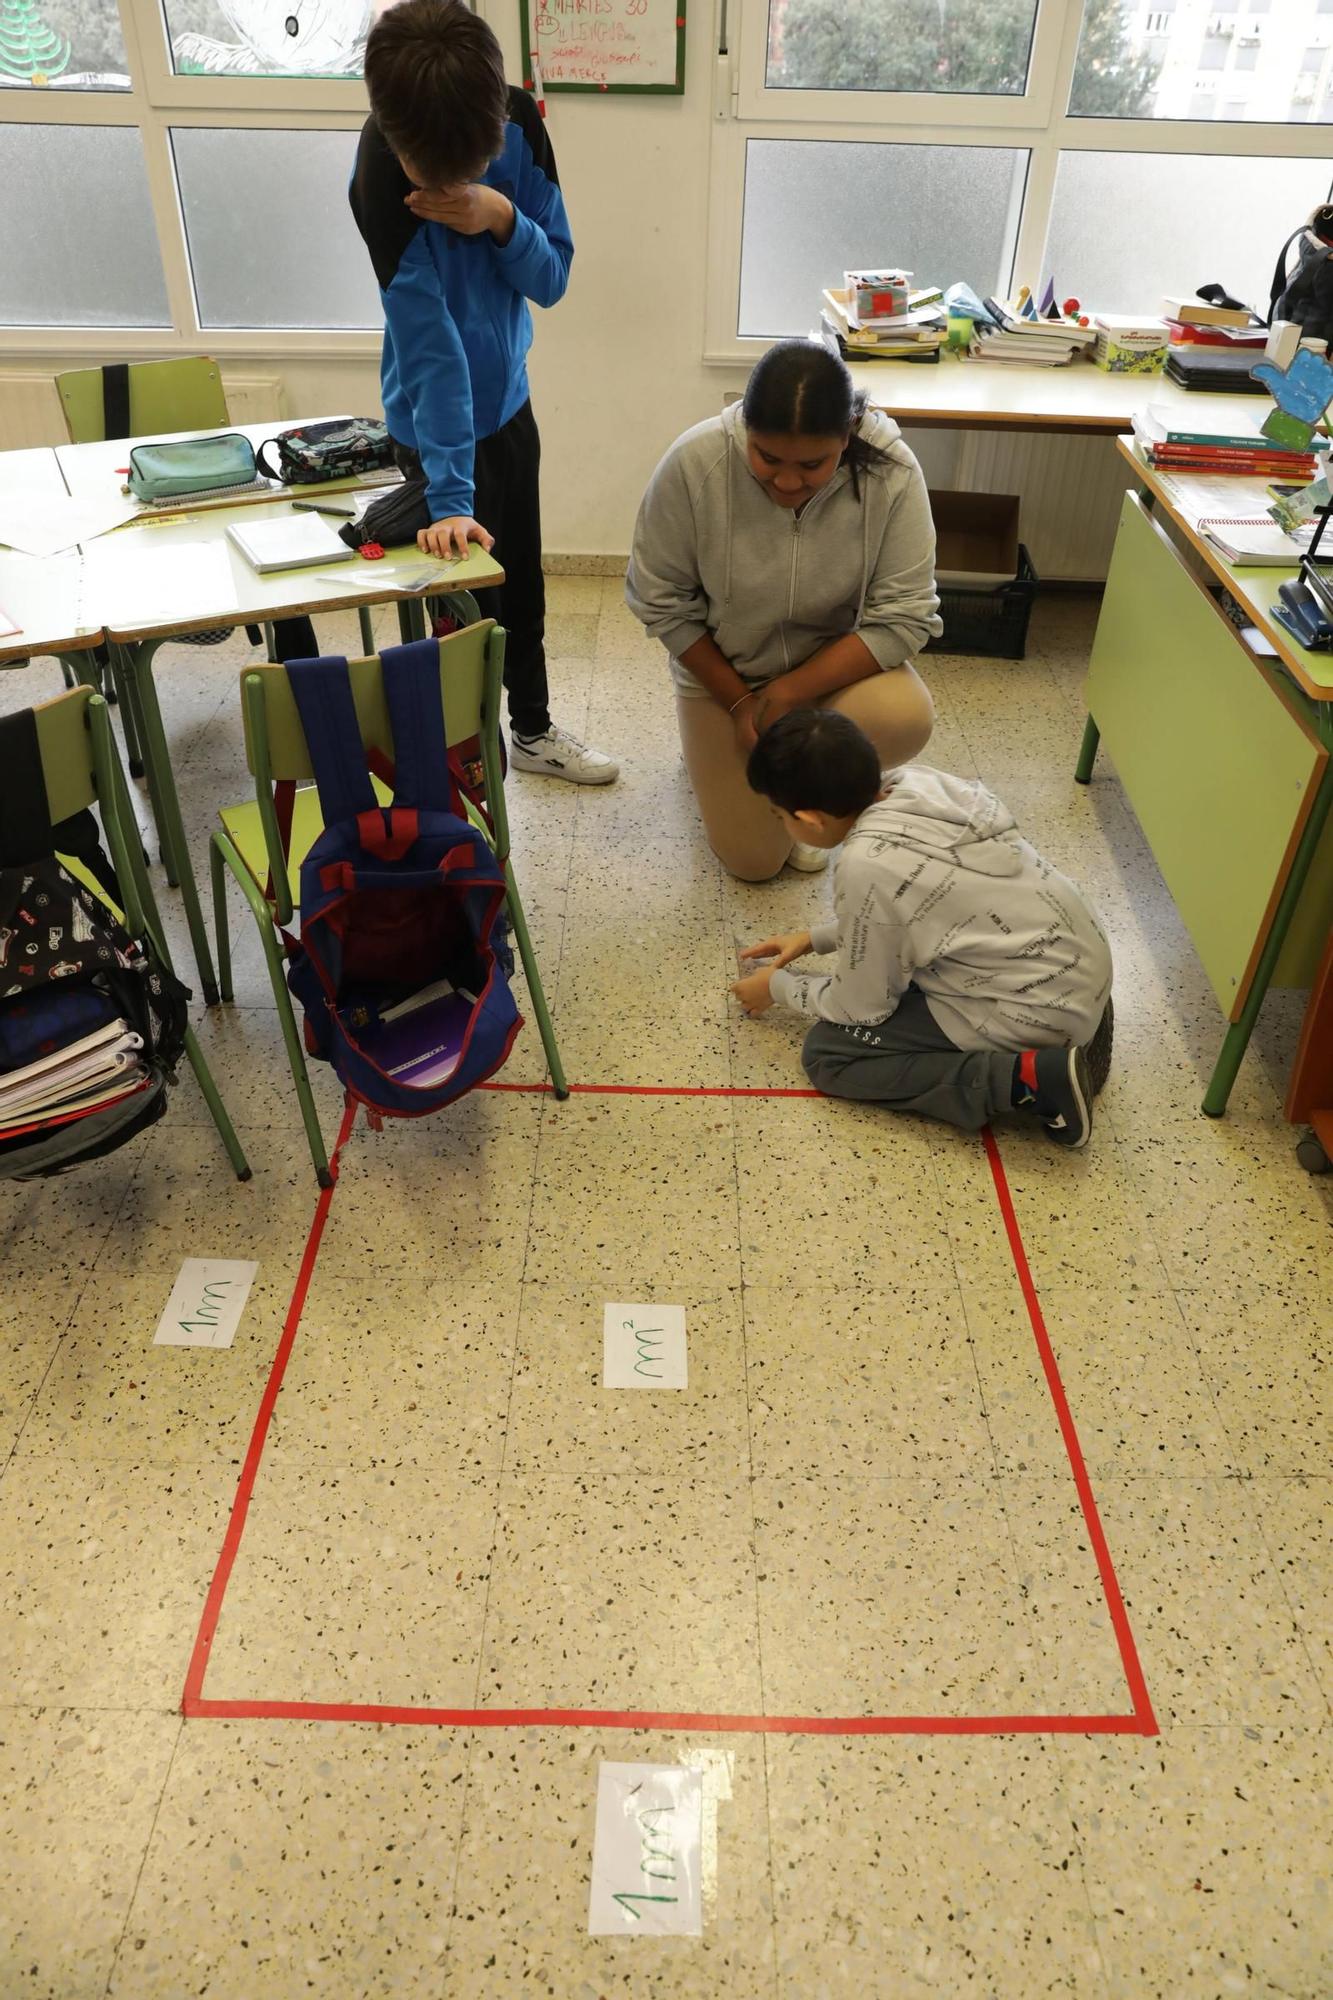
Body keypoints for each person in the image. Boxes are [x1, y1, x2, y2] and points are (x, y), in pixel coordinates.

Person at [348, 0, 617, 785]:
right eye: (429, 177)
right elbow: (432, 355)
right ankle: (465, 755)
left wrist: (498, 216)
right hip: (432, 436)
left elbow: (553, 277)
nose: (443, 186)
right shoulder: (376, 178)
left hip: (509, 409)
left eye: (467, 169)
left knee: (521, 589)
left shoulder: (520, 123)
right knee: (458, 620)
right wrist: (451, 495)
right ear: (392, 135)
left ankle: (530, 732)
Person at [625, 338, 940, 879]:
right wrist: (743, 703)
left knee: (905, 718)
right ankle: (706, 749)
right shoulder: (694, 463)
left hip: (826, 676)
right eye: (767, 459)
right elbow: (661, 601)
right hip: (726, 678)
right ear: (747, 427)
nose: (788, 482)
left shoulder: (891, 471)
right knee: (754, 864)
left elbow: (905, 615)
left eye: (813, 464)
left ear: (847, 436)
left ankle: (798, 769)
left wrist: (789, 694)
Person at [731, 709, 1113, 1148]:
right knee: (902, 983)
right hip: (1079, 965)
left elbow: (861, 1009)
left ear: (810, 819)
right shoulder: (918, 785)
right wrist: (817, 939)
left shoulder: (865, 865)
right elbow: (923, 907)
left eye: (780, 816)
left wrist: (778, 988)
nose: (782, 824)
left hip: (1033, 1006)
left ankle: (1024, 1080)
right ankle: (1066, 1039)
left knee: (828, 1056)